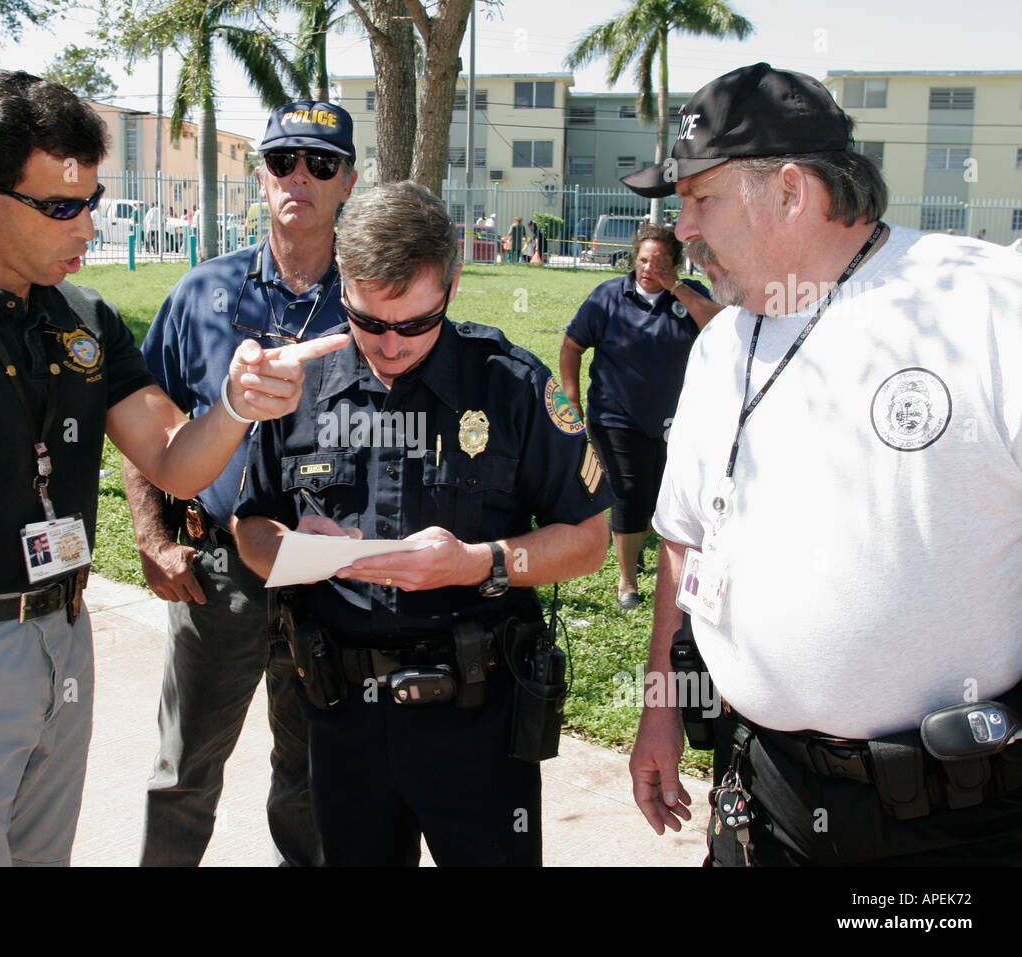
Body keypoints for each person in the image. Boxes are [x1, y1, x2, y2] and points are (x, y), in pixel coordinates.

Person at [0, 71, 343, 868]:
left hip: (61, 637)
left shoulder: (81, 319)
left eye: (90, 198)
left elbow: (173, 461)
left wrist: (233, 403)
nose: (88, 223)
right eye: (61, 206)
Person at [622, 62, 1022, 865]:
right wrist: (662, 706)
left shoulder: (985, 310)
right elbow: (685, 540)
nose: (684, 230)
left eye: (701, 199)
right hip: (763, 794)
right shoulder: (721, 344)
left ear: (792, 192)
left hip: (952, 821)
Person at [234, 181, 614, 866]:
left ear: (453, 282)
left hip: (477, 720)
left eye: (413, 323)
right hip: (341, 713)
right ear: (343, 282)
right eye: (367, 320)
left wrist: (479, 562)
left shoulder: (512, 385)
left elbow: (589, 538)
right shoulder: (299, 387)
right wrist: (294, 553)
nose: (388, 346)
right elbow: (250, 526)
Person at [124, 99, 356, 867]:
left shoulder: (372, 307)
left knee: (314, 772)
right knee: (185, 769)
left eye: (321, 164)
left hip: (325, 572)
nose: (301, 177)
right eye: (284, 160)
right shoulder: (202, 293)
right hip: (217, 574)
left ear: (347, 181)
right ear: (261, 177)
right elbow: (146, 427)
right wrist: (153, 538)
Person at [559, 224, 719, 610]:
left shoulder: (689, 296)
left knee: (660, 495)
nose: (649, 268)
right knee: (629, 494)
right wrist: (571, 398)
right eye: (644, 259)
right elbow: (572, 346)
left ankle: (635, 543)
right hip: (616, 416)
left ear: (676, 263)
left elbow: (718, 327)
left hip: (674, 422)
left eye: (660, 262)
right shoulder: (609, 297)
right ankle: (627, 581)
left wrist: (675, 286)